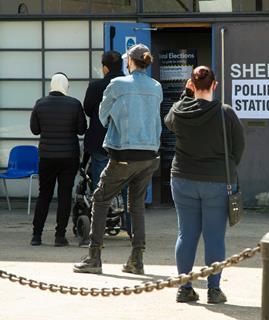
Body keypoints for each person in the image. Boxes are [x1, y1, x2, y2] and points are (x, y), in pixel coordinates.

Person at [73, 44, 162, 275]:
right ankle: (137, 259)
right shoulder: (156, 87)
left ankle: (94, 257)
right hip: (149, 154)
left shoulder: (117, 85)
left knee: (100, 199)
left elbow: (102, 116)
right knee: (136, 205)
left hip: (124, 152)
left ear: (130, 62)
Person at [165, 66, 245, 304]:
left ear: (191, 84)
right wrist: (227, 168)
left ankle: (184, 287)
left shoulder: (179, 109)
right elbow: (238, 147)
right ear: (215, 85)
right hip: (216, 181)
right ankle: (213, 289)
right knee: (214, 237)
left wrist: (185, 95)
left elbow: (168, 121)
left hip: (182, 179)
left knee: (186, 234)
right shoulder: (224, 112)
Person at [30, 72, 87, 246]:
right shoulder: (74, 104)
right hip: (69, 157)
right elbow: (81, 130)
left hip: (46, 157)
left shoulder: (40, 104)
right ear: (66, 86)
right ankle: (60, 236)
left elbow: (35, 130)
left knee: (44, 195)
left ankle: (36, 236)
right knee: (64, 196)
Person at [83, 50, 130, 235]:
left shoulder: (95, 86)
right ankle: (130, 227)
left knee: (99, 185)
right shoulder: (129, 86)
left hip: (100, 142)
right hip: (125, 142)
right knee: (127, 186)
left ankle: (98, 228)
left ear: (104, 68)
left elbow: (87, 110)